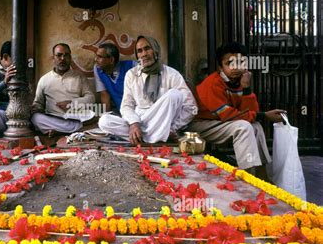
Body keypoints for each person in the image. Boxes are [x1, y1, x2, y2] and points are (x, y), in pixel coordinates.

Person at [188, 42, 285, 179]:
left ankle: (262, 175)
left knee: (255, 126)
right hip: (200, 125)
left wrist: (246, 89)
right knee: (244, 127)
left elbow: (250, 113)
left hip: (222, 122)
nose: (235, 67)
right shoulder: (212, 83)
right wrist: (264, 115)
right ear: (220, 67)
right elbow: (230, 115)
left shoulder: (241, 81)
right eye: (229, 63)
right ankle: (247, 179)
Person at [98, 36, 197, 145]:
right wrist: (134, 123)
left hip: (164, 122)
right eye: (139, 51)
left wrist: (173, 127)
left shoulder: (172, 74)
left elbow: (190, 107)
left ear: (156, 50)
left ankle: (149, 136)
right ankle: (155, 136)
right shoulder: (132, 74)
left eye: (147, 48)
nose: (144, 54)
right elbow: (126, 106)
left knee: (174, 95)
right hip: (141, 122)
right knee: (104, 121)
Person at [31, 43, 95, 136]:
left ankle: (60, 131)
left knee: (98, 116)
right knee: (36, 118)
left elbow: (91, 98)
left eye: (66, 55)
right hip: (54, 118)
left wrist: (72, 103)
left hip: (76, 117)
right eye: (59, 55)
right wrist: (33, 109)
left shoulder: (79, 76)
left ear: (70, 58)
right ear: (53, 58)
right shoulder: (44, 79)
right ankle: (73, 129)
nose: (63, 59)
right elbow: (38, 103)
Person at [93, 42, 136, 113]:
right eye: (96, 56)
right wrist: (106, 115)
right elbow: (104, 95)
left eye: (100, 57)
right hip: (121, 113)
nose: (95, 59)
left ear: (111, 60)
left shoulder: (132, 66)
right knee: (104, 120)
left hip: (136, 110)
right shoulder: (97, 68)